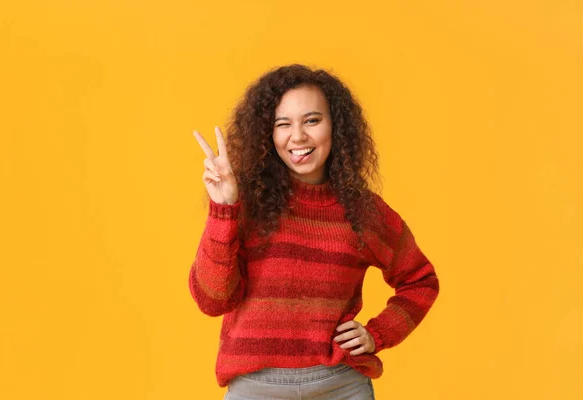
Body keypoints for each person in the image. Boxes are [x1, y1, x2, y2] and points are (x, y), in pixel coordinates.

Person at [189, 64, 440, 399]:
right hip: (255, 390)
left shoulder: (363, 211)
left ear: (335, 127)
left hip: (340, 387)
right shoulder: (244, 206)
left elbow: (420, 280)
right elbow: (212, 299)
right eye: (283, 124)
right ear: (268, 134)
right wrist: (224, 208)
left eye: (312, 120)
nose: (298, 136)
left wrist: (377, 334)